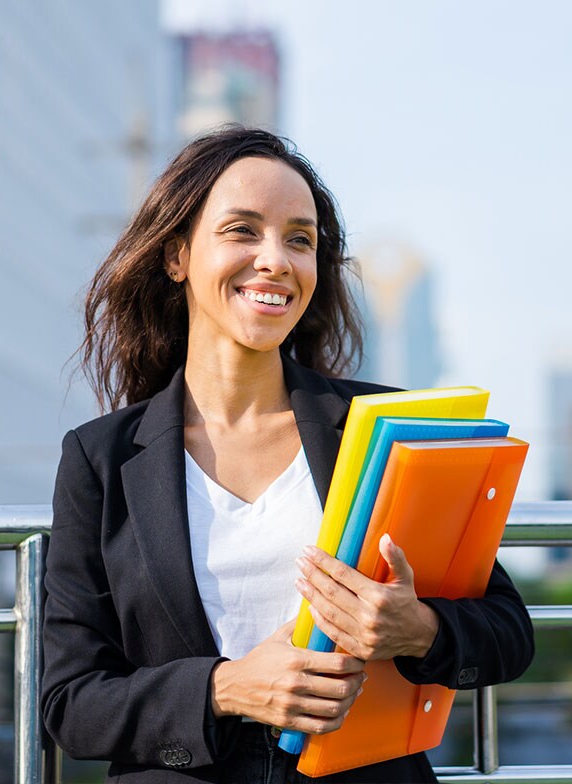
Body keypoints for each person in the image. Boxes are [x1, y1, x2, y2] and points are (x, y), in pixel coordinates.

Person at [41, 126, 535, 784]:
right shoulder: (100, 460)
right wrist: (226, 689)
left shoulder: (389, 429)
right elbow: (71, 703)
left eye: (299, 239)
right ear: (177, 255)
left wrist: (417, 629)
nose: (275, 259)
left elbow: (507, 633)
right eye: (243, 230)